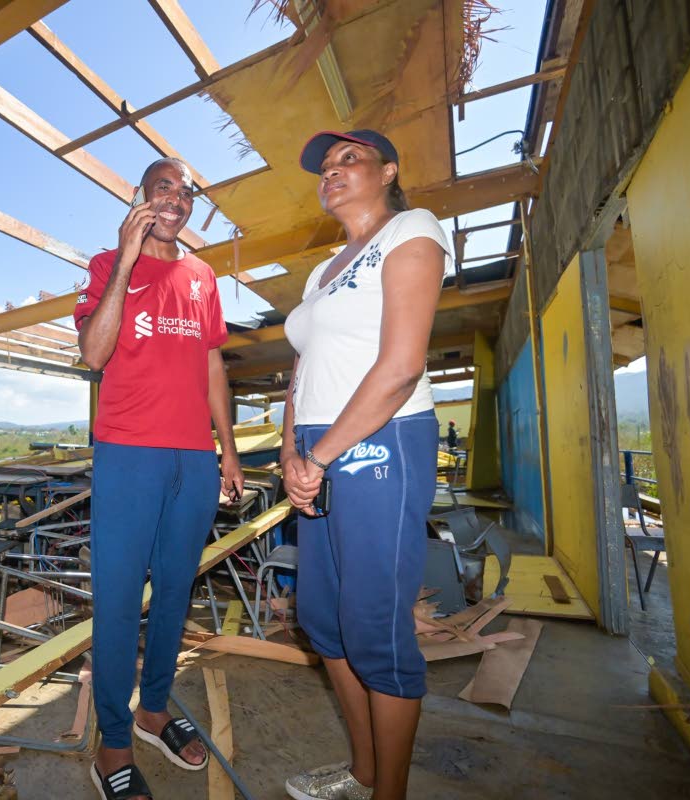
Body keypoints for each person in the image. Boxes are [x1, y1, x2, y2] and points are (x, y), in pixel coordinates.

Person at [280, 130, 450, 800]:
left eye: (348, 159)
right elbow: (301, 372)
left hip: (383, 434)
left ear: (389, 171)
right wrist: (292, 451)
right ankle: (364, 769)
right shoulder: (321, 272)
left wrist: (319, 455)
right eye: (325, 167)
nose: (332, 172)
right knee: (324, 620)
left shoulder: (412, 228)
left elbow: (402, 365)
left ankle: (390, 792)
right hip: (316, 446)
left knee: (375, 624)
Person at [75, 157, 245, 800]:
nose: (176, 199)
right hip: (129, 454)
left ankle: (153, 711)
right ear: (140, 197)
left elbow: (212, 365)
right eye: (163, 187)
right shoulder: (105, 265)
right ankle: (114, 741)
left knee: (175, 593)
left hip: (193, 459)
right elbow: (94, 353)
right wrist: (126, 259)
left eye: (185, 191)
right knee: (119, 601)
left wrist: (228, 450)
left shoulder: (202, 276)